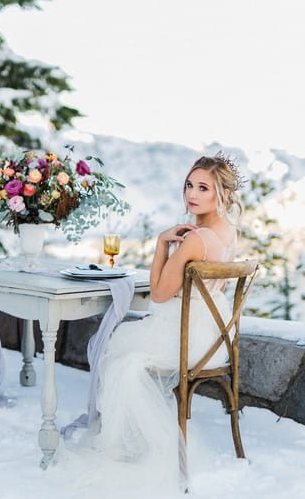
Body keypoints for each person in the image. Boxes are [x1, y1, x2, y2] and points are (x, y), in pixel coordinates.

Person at [84, 154, 244, 480]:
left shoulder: (196, 239)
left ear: (223, 195)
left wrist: (161, 244)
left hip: (187, 339)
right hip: (215, 340)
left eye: (203, 188)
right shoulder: (228, 232)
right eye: (189, 185)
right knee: (124, 351)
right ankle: (138, 438)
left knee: (118, 354)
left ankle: (135, 447)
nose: (192, 194)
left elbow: (157, 293)